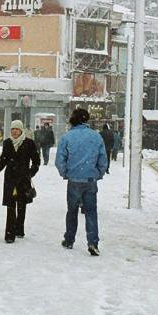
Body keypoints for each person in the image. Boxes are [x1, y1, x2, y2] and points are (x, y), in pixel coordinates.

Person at [56, 107, 109, 256]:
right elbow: (103, 159)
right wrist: (98, 173)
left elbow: (60, 160)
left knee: (72, 211)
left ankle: (69, 239)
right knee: (91, 212)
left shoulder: (67, 137)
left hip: (74, 179)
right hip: (90, 179)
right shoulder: (96, 137)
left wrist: (65, 173)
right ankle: (93, 242)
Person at [0, 120, 41, 243]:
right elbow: (3, 161)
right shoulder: (7, 143)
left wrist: (30, 173)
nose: (14, 131)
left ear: (21, 130)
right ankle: (10, 234)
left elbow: (36, 161)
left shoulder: (29, 143)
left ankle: (19, 229)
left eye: (17, 129)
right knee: (10, 206)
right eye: (12, 129)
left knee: (22, 205)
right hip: (10, 179)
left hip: (23, 179)